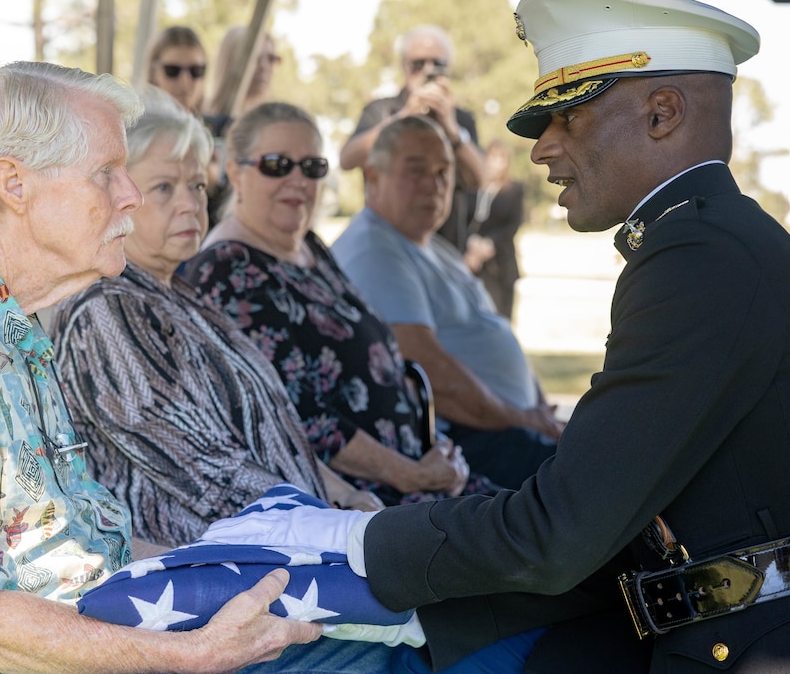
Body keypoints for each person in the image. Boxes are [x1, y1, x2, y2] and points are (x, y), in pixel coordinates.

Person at [200, 0, 790, 672]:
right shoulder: (715, 239)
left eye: (570, 117)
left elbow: (560, 531)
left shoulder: (694, 257)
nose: (543, 149)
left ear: (662, 113)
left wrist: (353, 541)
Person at [0, 61, 389, 674]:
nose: (132, 196)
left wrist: (235, 569)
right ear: (13, 184)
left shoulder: (1, 316)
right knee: (408, 651)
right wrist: (189, 654)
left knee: (417, 627)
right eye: (106, 174)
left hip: (104, 626)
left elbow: (75, 546)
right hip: (47, 658)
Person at [48, 88, 379, 549]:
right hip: (208, 578)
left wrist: (343, 495)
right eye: (164, 187)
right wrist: (331, 527)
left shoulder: (182, 296)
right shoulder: (106, 310)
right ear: (117, 196)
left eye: (197, 186)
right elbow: (202, 469)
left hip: (280, 547)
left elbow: (270, 432)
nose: (190, 203)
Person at [184, 101, 502, 508]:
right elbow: (290, 419)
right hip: (358, 505)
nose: (297, 181)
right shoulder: (225, 269)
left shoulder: (309, 247)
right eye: (277, 165)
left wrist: (437, 452)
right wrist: (410, 474)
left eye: (312, 167)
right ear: (236, 172)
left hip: (420, 476)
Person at [333, 114, 562, 489]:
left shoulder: (433, 247)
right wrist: (522, 418)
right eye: (416, 170)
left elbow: (491, 331)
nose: (434, 185)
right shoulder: (375, 249)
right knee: (606, 482)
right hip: (466, 443)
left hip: (506, 428)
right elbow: (428, 372)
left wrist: (537, 410)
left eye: (443, 172)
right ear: (373, 177)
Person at [338, 25, 484, 253]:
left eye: (438, 64)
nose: (428, 71)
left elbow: (481, 179)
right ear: (404, 66)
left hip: (446, 246)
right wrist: (403, 117)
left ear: (450, 68)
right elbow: (347, 159)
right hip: (386, 243)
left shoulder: (461, 118)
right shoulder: (381, 110)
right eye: (418, 64)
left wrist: (452, 129)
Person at [202, 25, 282, 227]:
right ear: (232, 60)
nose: (264, 66)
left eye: (271, 58)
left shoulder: (275, 128)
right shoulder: (202, 125)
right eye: (255, 57)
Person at [463, 139, 525, 319]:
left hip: (499, 265)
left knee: (499, 317)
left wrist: (488, 244)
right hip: (471, 263)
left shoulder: (514, 190)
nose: (494, 163)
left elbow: (513, 225)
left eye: (499, 158)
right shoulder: (472, 189)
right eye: (490, 157)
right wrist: (471, 244)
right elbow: (463, 220)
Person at [145, 25, 209, 116]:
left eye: (195, 71)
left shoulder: (220, 128)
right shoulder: (131, 126)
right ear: (153, 72)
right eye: (172, 70)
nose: (185, 82)